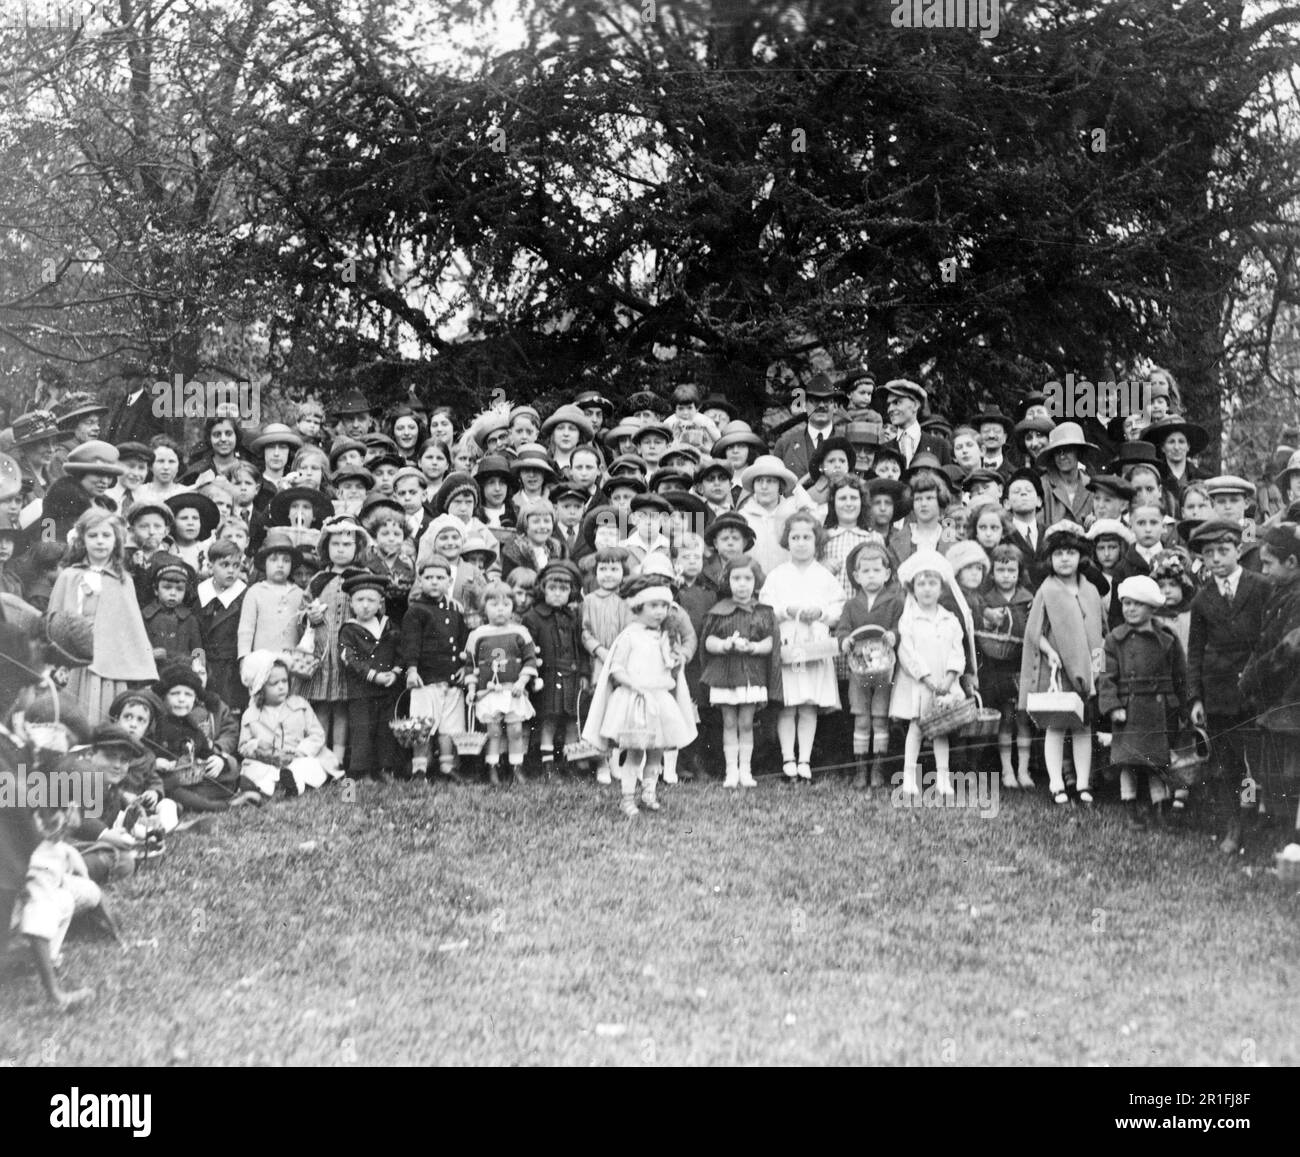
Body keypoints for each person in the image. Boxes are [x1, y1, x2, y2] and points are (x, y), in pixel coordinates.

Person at [1185, 519, 1270, 855]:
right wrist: (1195, 697)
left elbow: (1270, 636)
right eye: (1209, 553)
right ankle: (1232, 827)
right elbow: (1194, 652)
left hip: (1255, 689)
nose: (1217, 558)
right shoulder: (1202, 600)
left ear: (1238, 550)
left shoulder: (1260, 586)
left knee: (1256, 761)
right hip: (1218, 692)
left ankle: (1254, 820)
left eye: (1223, 550)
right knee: (1225, 763)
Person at [580, 575, 697, 817]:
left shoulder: (665, 636)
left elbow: (670, 668)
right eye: (653, 606)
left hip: (660, 700)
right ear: (638, 606)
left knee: (657, 751)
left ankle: (649, 792)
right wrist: (634, 685)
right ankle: (627, 798)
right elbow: (617, 668)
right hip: (635, 700)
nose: (659, 612)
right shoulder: (630, 636)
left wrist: (676, 659)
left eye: (664, 606)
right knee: (635, 752)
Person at [1018, 521, 1106, 805]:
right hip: (1057, 670)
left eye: (1070, 552)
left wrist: (1099, 672)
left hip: (1087, 671)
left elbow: (1099, 633)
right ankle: (1056, 783)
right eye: (1058, 554)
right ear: (1050, 559)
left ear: (1081, 556)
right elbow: (1034, 631)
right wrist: (1049, 651)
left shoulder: (1090, 590)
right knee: (1056, 726)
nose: (1064, 559)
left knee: (1083, 727)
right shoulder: (1048, 589)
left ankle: (1082, 783)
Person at [46, 507, 157, 721]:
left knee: (104, 715)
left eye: (106, 535)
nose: (99, 541)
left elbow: (132, 628)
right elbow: (53, 620)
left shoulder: (122, 580)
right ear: (82, 540)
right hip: (73, 662)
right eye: (93, 535)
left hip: (110, 666)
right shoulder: (69, 577)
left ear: (116, 541)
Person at [1099, 575, 1189, 829]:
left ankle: (1160, 808)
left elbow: (1180, 674)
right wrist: (1113, 705)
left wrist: (1184, 706)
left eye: (1137, 604)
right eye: (1126, 603)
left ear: (1151, 607)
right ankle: (1130, 809)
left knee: (1156, 763)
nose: (1130, 609)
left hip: (1159, 708)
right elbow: (1105, 676)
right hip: (1129, 709)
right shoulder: (1114, 639)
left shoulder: (1167, 637)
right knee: (1128, 761)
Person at [760, 510, 843, 782]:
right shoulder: (778, 575)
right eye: (795, 537)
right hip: (789, 643)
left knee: (808, 703)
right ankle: (788, 758)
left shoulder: (824, 576)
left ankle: (805, 759)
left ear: (816, 541)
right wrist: (787, 610)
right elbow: (766, 605)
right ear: (787, 541)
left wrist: (820, 613)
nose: (801, 542)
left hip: (815, 644)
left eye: (807, 537)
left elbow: (838, 606)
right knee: (789, 702)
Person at [1238, 522, 1300, 856]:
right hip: (1276, 702)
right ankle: (1280, 838)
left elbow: (1289, 650)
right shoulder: (1282, 592)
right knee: (1274, 773)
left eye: (1268, 564)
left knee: (1288, 774)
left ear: (1291, 562)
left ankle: (1287, 842)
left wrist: (1252, 677)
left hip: (1290, 700)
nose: (1263, 571)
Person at [889, 550, 966, 797]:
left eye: (932, 584)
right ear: (913, 589)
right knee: (917, 727)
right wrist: (926, 677)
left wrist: (950, 677)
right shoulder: (909, 619)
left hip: (945, 682)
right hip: (919, 684)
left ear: (941, 588)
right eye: (921, 584)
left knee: (940, 729)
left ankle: (943, 778)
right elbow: (907, 651)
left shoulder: (950, 619)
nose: (927, 589)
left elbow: (958, 650)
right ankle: (909, 776)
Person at [700, 554, 779, 788]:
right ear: (728, 581)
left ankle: (746, 770)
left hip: (750, 676)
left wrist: (753, 647)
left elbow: (770, 643)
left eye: (748, 578)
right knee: (729, 722)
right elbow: (708, 641)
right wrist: (725, 645)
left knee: (746, 722)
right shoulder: (719, 611)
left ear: (756, 582)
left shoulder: (763, 611)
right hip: (726, 675)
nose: (742, 584)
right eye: (736, 578)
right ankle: (730, 771)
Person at [835, 542, 904, 790]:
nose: (871, 575)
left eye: (877, 570)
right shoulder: (852, 605)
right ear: (856, 576)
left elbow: (900, 626)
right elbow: (842, 628)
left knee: (879, 718)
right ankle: (860, 768)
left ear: (887, 574)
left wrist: (893, 635)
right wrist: (846, 640)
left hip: (884, 668)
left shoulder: (895, 602)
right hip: (859, 668)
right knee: (861, 718)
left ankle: (878, 767)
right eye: (865, 571)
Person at [400, 555, 470, 783]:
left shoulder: (455, 610)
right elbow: (410, 644)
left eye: (440, 577)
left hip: (450, 678)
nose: (434, 582)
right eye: (428, 577)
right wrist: (411, 670)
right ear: (419, 581)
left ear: (449, 582)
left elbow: (462, 642)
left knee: (450, 727)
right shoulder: (416, 611)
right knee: (421, 725)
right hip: (425, 679)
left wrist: (464, 667)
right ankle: (419, 768)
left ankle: (447, 767)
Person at [462, 580, 540, 785]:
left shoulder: (519, 632)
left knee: (515, 731)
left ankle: (516, 767)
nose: (500, 610)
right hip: (488, 693)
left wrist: (522, 682)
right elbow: (470, 666)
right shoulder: (477, 635)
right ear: (483, 608)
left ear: (512, 607)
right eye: (494, 605)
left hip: (512, 691)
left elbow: (530, 659)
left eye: (506, 605)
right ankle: (492, 768)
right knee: (493, 732)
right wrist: (471, 688)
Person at [522, 560, 589, 779]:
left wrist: (584, 673)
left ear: (571, 592)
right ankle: (547, 764)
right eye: (553, 588)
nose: (558, 594)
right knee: (548, 720)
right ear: (543, 589)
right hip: (547, 676)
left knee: (571, 720)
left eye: (564, 589)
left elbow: (581, 647)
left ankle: (571, 762)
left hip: (571, 674)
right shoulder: (533, 617)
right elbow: (529, 649)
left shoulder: (573, 617)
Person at [336, 571, 403, 783]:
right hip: (361, 690)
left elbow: (401, 650)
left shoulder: (389, 625)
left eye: (371, 600)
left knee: (385, 729)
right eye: (360, 600)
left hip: (387, 689)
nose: (365, 605)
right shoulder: (349, 630)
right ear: (351, 603)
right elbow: (349, 658)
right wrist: (373, 676)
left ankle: (385, 768)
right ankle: (362, 772)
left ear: (380, 602)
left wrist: (394, 672)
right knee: (362, 730)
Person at [196, 538, 249, 714]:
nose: (231, 571)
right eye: (224, 565)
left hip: (230, 669)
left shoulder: (244, 596)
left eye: (236, 565)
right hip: (204, 664)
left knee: (227, 710)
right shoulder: (199, 593)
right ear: (210, 566)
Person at [141, 553, 204, 668]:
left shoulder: (189, 620)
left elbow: (198, 652)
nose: (173, 593)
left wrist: (197, 666)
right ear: (156, 589)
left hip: (182, 675)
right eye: (167, 587)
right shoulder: (145, 617)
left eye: (179, 589)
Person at [879, 379, 952, 467]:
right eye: (889, 405)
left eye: (896, 402)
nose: (890, 409)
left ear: (915, 405)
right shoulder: (883, 449)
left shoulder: (940, 446)